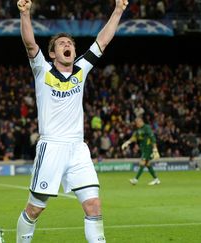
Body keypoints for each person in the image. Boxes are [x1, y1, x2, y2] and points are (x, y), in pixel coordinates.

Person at [15, 0, 128, 242]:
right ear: (53, 53)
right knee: (34, 209)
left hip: (78, 148)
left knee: (94, 206)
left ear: (75, 52)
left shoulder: (81, 69)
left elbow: (103, 41)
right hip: (51, 146)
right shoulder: (42, 70)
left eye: (70, 44)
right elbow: (29, 43)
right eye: (61, 44)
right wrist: (25, 14)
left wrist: (118, 9)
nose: (67, 45)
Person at [121, 117, 161, 185]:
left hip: (148, 148)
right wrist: (127, 142)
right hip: (144, 148)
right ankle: (156, 179)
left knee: (142, 163)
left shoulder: (147, 128)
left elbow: (152, 138)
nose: (136, 124)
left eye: (137, 123)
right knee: (147, 164)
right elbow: (134, 137)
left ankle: (135, 180)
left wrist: (155, 149)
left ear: (141, 121)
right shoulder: (138, 129)